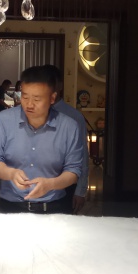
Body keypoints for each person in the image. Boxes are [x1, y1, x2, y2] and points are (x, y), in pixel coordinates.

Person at [0, 65, 84, 214]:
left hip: (53, 208)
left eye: (37, 99)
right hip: (11, 207)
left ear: (52, 98)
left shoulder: (69, 126)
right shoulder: (4, 120)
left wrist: (51, 184)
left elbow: (73, 170)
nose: (29, 104)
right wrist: (11, 173)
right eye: (25, 97)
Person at [43, 65, 89, 214]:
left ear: (60, 85)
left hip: (65, 184)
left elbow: (83, 154)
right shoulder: (28, 113)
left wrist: (81, 190)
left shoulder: (73, 116)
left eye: (52, 82)